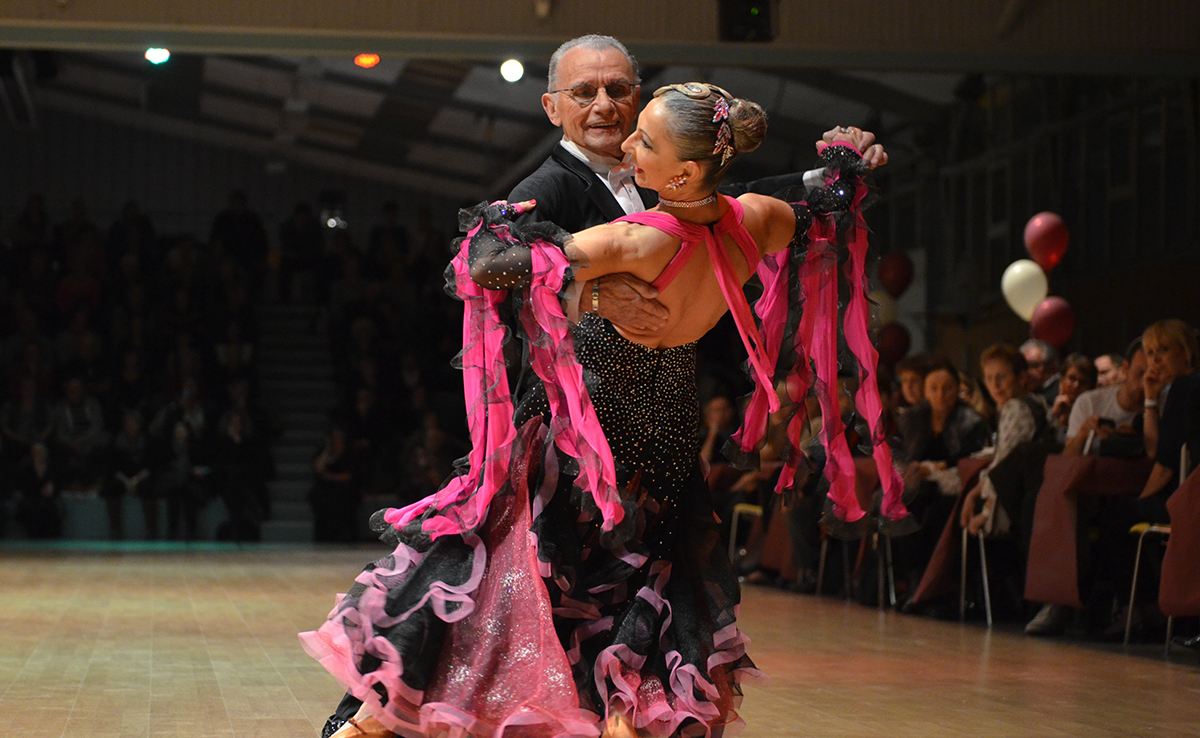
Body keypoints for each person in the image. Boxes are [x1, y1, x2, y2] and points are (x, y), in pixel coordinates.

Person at [303, 80, 897, 738]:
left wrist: (498, 230)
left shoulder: (634, 240)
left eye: (646, 139)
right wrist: (841, 163)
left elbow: (489, 266)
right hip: (667, 444)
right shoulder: (757, 220)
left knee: (482, 590)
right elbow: (823, 200)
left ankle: (372, 725)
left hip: (583, 450)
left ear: (685, 169)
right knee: (634, 621)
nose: (628, 145)